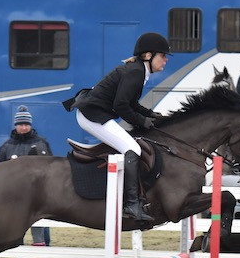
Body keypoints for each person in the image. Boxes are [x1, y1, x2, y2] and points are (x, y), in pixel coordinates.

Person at [71, 32, 170, 222]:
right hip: (92, 115)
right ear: (148, 55)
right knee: (132, 148)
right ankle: (131, 204)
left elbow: (131, 103)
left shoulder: (139, 70)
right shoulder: (136, 72)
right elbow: (121, 106)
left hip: (94, 113)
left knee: (131, 144)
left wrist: (150, 114)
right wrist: (142, 121)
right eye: (162, 55)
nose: (165, 60)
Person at [0, 106, 55, 258]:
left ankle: (44, 257)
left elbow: (51, 165)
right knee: (17, 226)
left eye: (26, 124)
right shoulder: (7, 146)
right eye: (20, 124)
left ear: (30, 125)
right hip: (15, 196)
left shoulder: (41, 142)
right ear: (15, 125)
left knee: (42, 225)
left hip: (39, 195)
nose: (23, 127)